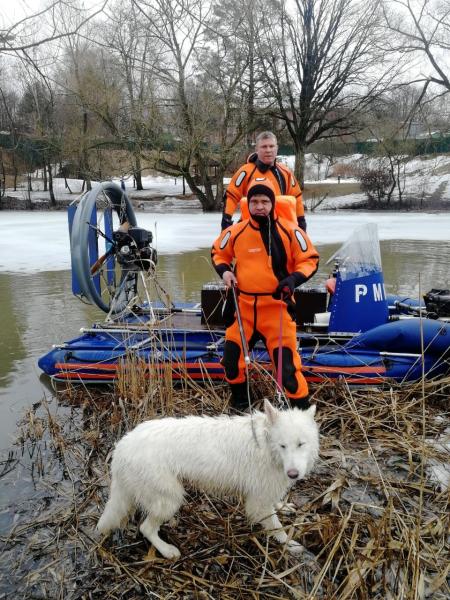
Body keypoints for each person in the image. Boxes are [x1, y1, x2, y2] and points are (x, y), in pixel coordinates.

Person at [212, 179, 319, 411]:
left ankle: (302, 416)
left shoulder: (290, 231)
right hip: (243, 310)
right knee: (232, 363)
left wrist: (292, 280)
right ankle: (242, 408)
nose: (259, 206)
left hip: (277, 310)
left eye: (264, 202)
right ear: (247, 205)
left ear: (272, 204)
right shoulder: (235, 231)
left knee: (287, 371)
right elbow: (218, 253)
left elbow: (310, 260)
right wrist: (225, 272)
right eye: (254, 202)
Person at [222, 131, 307, 232]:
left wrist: (301, 223)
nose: (268, 150)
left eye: (271, 146)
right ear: (257, 149)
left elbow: (297, 197)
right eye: (264, 147)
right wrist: (226, 221)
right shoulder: (245, 172)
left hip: (280, 230)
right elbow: (231, 196)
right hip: (251, 230)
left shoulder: (285, 172)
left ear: (277, 148)